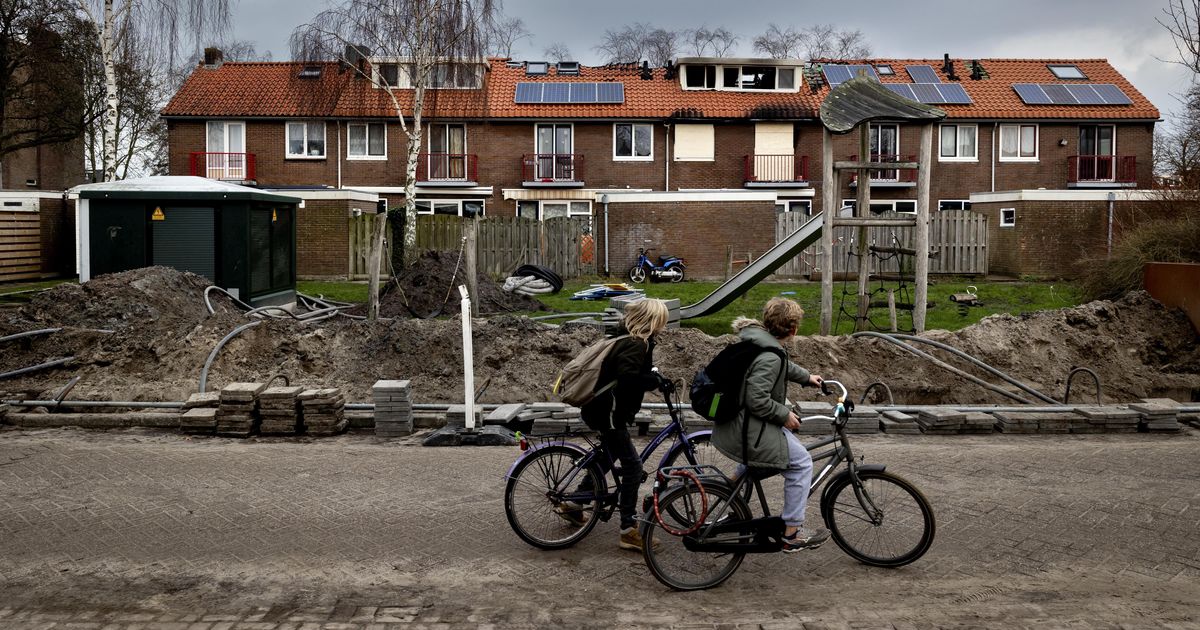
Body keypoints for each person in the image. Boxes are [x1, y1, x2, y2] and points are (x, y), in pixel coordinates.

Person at [711, 297, 830, 552]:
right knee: (801, 464)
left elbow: (781, 364)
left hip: (738, 423)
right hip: (749, 428)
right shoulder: (770, 355)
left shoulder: (760, 341)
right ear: (793, 329)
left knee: (779, 447)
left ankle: (730, 486)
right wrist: (783, 415)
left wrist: (808, 378)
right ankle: (792, 533)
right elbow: (757, 398)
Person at [572, 298, 670, 552]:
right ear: (652, 320)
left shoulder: (628, 339)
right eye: (661, 321)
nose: (663, 325)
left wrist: (651, 375)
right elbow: (628, 379)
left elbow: (627, 374)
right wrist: (654, 381)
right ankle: (628, 529)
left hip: (603, 410)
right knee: (633, 468)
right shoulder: (635, 344)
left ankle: (575, 503)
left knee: (610, 454)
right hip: (610, 413)